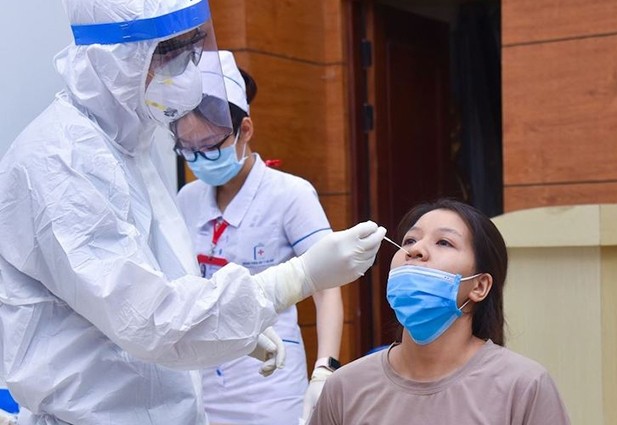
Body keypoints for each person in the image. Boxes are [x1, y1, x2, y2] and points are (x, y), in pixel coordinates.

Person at [0, 1, 386, 424]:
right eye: (169, 53)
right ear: (116, 58)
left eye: (192, 48)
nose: (186, 70)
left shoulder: (127, 149)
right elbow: (148, 316)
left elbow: (157, 286)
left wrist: (237, 330)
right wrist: (293, 278)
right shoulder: (63, 162)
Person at [174, 51, 343, 425]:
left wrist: (325, 369)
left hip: (270, 385)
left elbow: (327, 285)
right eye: (189, 149)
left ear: (245, 130)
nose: (200, 158)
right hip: (201, 381)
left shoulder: (290, 194)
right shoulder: (187, 199)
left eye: (211, 145)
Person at [309, 198, 571, 425]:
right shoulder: (345, 386)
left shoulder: (524, 386)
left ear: (479, 286)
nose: (415, 250)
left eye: (444, 242)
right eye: (409, 240)